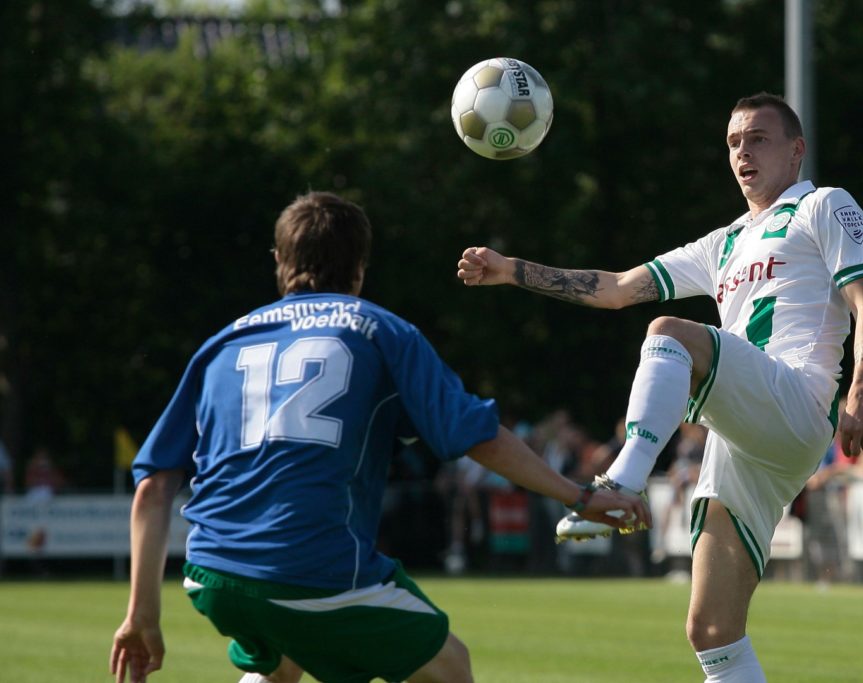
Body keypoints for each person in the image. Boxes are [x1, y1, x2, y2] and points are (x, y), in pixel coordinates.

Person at [109, 192, 649, 683]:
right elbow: (478, 437)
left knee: (284, 656)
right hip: (315, 566)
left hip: (212, 572)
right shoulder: (382, 331)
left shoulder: (221, 345)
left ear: (278, 260)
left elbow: (153, 487)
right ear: (361, 269)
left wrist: (141, 616)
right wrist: (579, 495)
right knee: (448, 667)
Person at [457, 92, 863, 682]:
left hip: (797, 402)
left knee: (669, 332)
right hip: (742, 440)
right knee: (712, 631)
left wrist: (862, 391)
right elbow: (615, 289)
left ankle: (619, 483)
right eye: (733, 142)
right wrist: (512, 270)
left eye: (758, 139)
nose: (743, 152)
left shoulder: (824, 206)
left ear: (797, 150)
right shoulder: (724, 242)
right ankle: (623, 489)